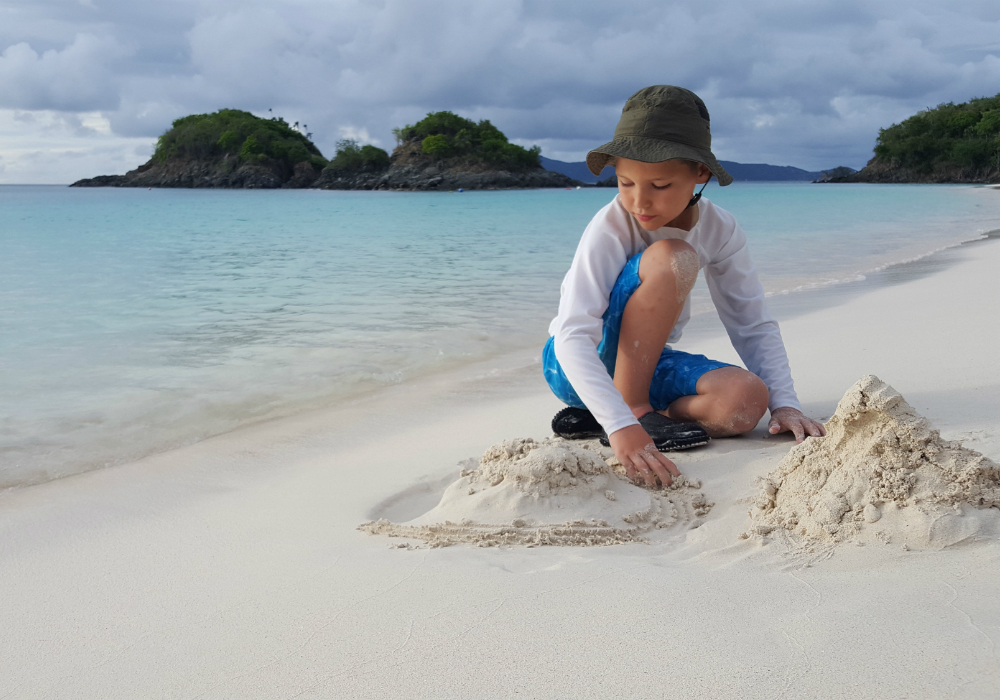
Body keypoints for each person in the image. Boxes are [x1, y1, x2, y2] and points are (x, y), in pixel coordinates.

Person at [543, 85, 825, 489]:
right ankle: (630, 412)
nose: (640, 202)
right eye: (625, 183)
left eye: (659, 186)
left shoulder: (721, 229)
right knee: (672, 257)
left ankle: (607, 411)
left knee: (745, 403)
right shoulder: (610, 226)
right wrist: (623, 425)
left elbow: (751, 322)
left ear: (700, 174)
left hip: (648, 361)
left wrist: (786, 404)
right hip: (573, 360)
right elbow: (573, 332)